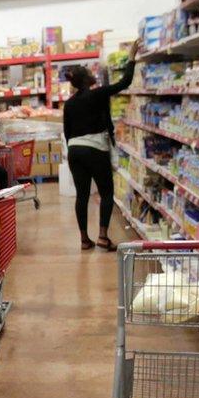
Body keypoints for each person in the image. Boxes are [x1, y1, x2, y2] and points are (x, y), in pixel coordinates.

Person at [63, 40, 139, 251]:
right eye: (89, 72)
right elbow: (125, 82)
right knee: (106, 192)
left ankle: (84, 239)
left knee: (82, 195)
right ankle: (103, 236)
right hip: (96, 148)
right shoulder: (98, 93)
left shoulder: (69, 103)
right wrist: (132, 57)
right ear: (87, 79)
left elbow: (67, 132)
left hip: (75, 151)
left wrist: (74, 149)